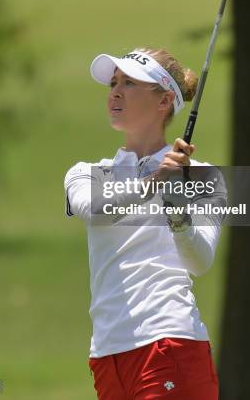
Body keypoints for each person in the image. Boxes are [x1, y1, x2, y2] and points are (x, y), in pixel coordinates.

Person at [64, 47, 227, 399]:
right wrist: (153, 183)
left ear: (164, 101)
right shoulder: (87, 173)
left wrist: (175, 204)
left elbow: (200, 261)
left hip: (169, 342)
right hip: (108, 355)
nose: (115, 92)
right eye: (113, 83)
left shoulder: (201, 176)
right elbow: (94, 208)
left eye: (129, 83)